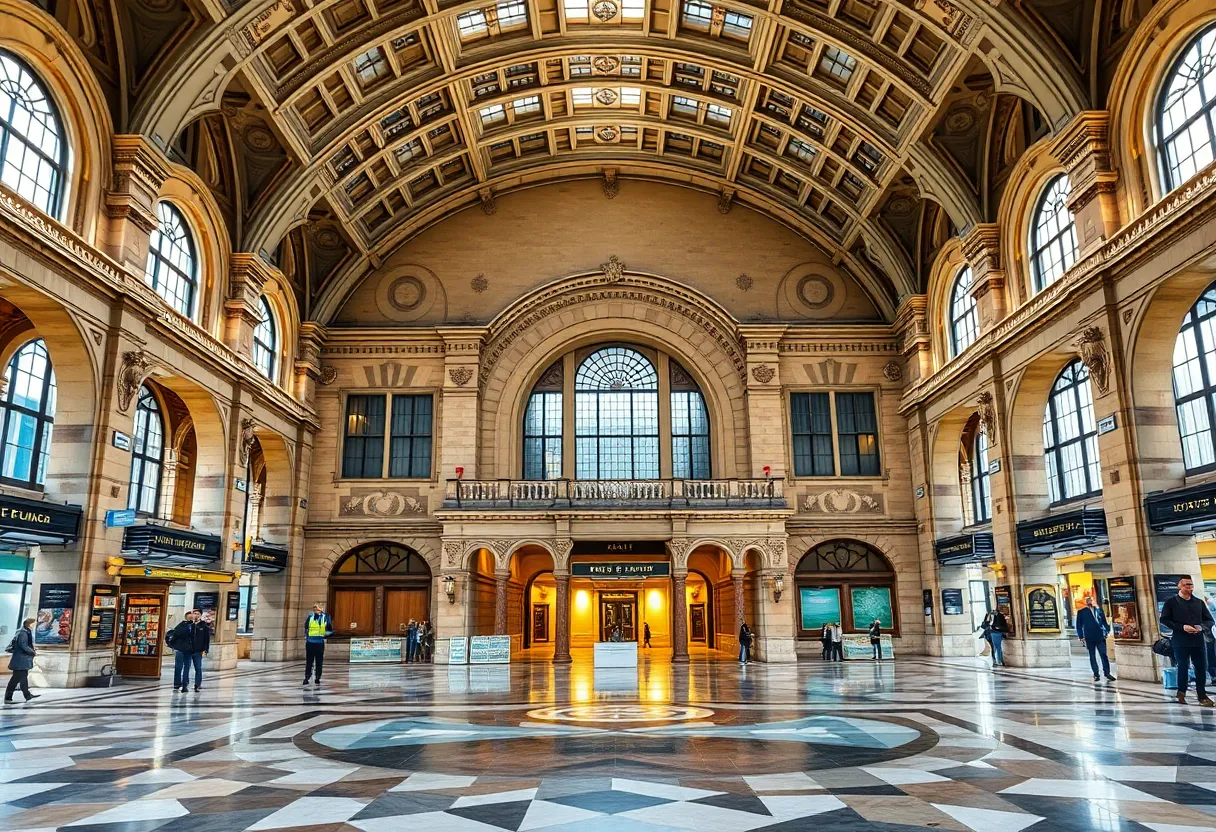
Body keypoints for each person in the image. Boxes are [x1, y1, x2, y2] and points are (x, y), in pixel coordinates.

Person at [1161, 576, 1215, 706]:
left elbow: (1209, 620)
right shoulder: (1171, 602)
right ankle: (1181, 692)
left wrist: (1201, 627)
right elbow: (1165, 619)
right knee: (1183, 666)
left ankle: (1202, 695)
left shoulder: (1198, 602)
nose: (1189, 587)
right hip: (1180, 640)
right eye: (1186, 585)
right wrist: (1182, 627)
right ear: (1179, 586)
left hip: (1198, 641)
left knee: (1201, 667)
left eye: (1191, 585)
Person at [167, 609, 209, 693]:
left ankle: (197, 684)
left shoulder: (203, 626)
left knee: (198, 668)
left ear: (200, 615)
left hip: (198, 650)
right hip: (188, 650)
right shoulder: (187, 625)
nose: (196, 615)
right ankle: (184, 685)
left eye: (198, 614)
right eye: (194, 614)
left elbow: (206, 639)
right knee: (186, 667)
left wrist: (205, 650)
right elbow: (175, 634)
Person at [1076, 596, 1115, 682]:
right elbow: (1078, 625)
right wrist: (1081, 636)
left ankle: (1107, 673)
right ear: (1086, 602)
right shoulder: (1081, 612)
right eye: (1088, 600)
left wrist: (1107, 631)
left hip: (1100, 636)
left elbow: (1104, 622)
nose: (1090, 601)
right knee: (1092, 656)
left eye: (1091, 600)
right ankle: (1096, 674)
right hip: (1089, 637)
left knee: (1104, 655)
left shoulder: (1099, 610)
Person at [4, 617, 38, 704]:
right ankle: (8, 697)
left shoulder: (25, 631)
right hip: (20, 659)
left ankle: (27, 695)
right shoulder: (22, 633)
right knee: (15, 679)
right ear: (27, 623)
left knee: (23, 677)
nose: (32, 625)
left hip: (22, 659)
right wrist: (32, 652)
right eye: (31, 623)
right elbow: (23, 645)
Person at [303, 603, 333, 687]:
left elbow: (330, 629)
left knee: (319, 661)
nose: (316, 611)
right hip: (310, 642)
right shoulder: (310, 617)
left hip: (319, 642)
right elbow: (306, 627)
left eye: (317, 609)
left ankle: (317, 677)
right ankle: (307, 677)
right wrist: (306, 635)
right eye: (315, 609)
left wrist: (326, 634)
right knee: (309, 661)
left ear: (321, 610)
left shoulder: (326, 617)